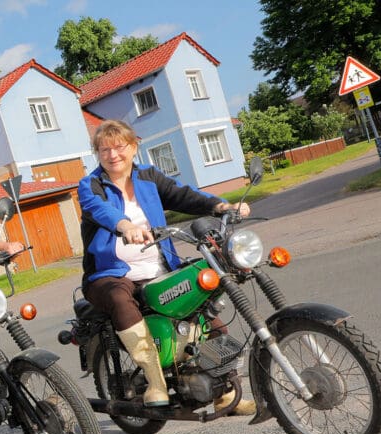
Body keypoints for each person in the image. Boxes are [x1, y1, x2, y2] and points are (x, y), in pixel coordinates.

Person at [79, 119, 254, 414]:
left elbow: (182, 195)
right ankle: (154, 380)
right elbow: (100, 209)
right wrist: (124, 225)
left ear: (133, 147)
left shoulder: (148, 177)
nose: (112, 155)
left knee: (203, 302)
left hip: (158, 268)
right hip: (109, 274)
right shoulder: (91, 184)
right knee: (120, 299)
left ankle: (224, 391)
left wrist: (220, 206)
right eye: (104, 149)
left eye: (118, 146)